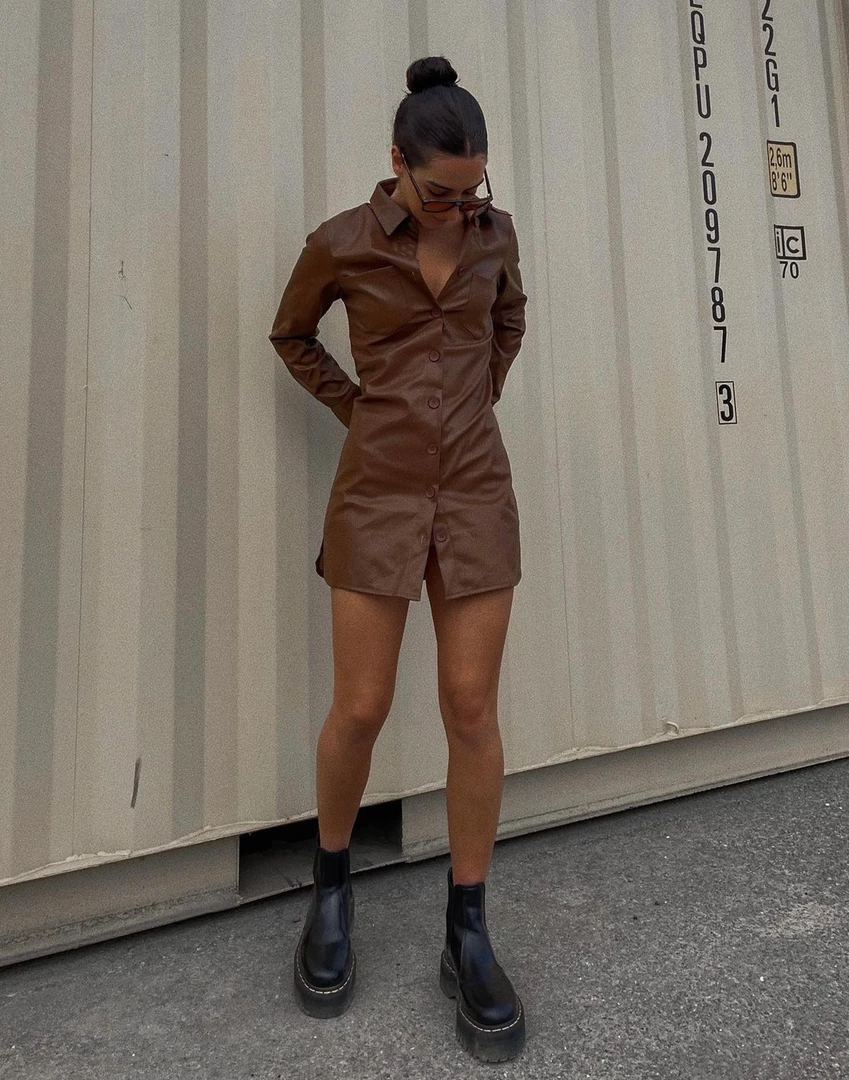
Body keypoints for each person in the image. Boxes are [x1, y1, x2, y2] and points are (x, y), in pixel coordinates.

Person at [269, 54, 528, 1063]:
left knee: (470, 708)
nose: (462, 209)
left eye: (475, 190)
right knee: (362, 706)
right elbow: (292, 334)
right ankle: (330, 891)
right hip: (376, 493)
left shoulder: (495, 237)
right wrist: (365, 409)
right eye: (442, 193)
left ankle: (468, 929)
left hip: (475, 491)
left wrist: (473, 397)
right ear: (397, 164)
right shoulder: (340, 242)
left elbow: (508, 320)